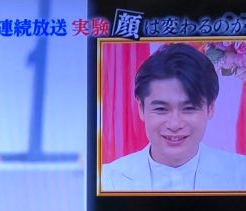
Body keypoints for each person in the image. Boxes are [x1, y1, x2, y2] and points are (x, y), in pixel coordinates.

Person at [101, 43, 246, 192]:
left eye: (189, 108)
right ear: (141, 108)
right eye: (161, 109)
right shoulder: (107, 180)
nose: (174, 124)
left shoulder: (241, 175)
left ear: (210, 108)